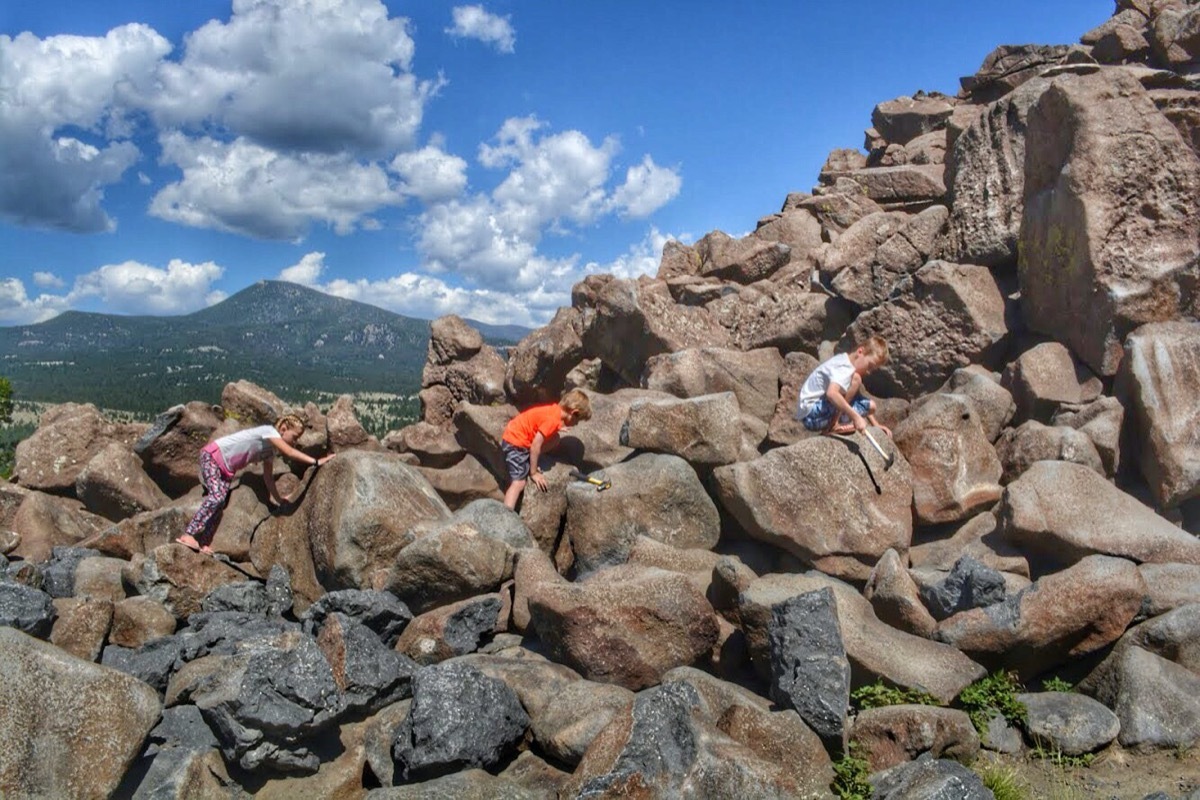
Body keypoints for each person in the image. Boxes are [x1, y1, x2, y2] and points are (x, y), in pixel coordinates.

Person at [177, 413, 334, 554]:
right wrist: (316, 462)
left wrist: (279, 500)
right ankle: (188, 534)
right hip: (212, 456)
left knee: (220, 505)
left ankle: (204, 542)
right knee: (217, 498)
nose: (295, 442)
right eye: (294, 437)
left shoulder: (270, 451)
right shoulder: (268, 431)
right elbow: (290, 452)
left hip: (226, 469)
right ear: (284, 429)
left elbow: (268, 478)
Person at [501, 389, 592, 510]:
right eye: (578, 420)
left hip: (517, 434)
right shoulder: (553, 420)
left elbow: (542, 422)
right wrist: (534, 473)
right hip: (515, 443)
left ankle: (529, 458)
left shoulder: (554, 411)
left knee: (555, 438)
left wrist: (558, 427)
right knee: (519, 483)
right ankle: (505, 514)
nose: (576, 424)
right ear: (573, 412)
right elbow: (535, 445)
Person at [795, 336, 892, 436]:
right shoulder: (844, 367)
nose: (868, 372)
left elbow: (853, 397)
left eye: (872, 369)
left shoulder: (845, 361)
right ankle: (834, 425)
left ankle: (834, 423)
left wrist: (875, 424)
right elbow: (832, 393)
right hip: (811, 414)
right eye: (870, 366)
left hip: (817, 411)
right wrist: (856, 417)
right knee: (856, 379)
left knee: (871, 406)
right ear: (860, 352)